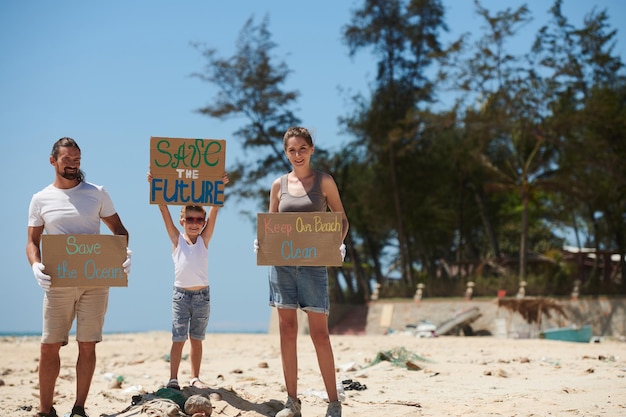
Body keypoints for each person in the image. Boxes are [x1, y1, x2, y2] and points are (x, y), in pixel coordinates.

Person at [26, 137, 131, 417]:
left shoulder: (97, 193)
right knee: (49, 346)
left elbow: (119, 229)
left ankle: (79, 408)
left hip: (95, 282)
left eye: (77, 160)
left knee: (87, 345)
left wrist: (122, 255)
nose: (73, 165)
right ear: (53, 161)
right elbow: (32, 241)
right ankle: (45, 410)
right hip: (57, 282)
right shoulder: (40, 198)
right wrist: (35, 265)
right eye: (67, 160)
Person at [261, 127, 349, 417]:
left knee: (320, 335)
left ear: (311, 149)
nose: (297, 155)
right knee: (287, 331)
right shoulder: (278, 185)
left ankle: (333, 402)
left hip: (313, 266)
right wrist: (262, 241)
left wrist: (336, 243)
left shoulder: (324, 181)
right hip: (282, 267)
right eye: (291, 150)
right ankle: (292, 401)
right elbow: (272, 224)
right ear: (285, 153)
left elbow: (341, 219)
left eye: (302, 149)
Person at [148, 172, 228, 390]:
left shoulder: (205, 239)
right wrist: (155, 185)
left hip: (203, 296)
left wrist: (219, 187)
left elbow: (215, 209)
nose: (194, 224)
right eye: (190, 219)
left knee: (197, 338)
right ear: (182, 221)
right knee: (178, 338)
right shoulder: (177, 240)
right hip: (181, 296)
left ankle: (194, 376)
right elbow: (163, 209)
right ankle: (173, 378)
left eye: (199, 220)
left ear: (203, 222)